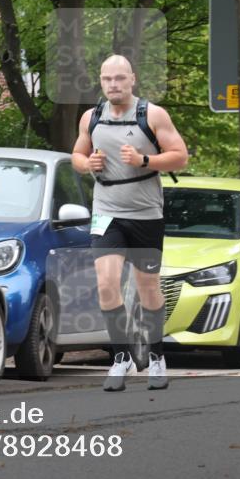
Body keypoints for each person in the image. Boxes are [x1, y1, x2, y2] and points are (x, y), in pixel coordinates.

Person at [71, 55, 189, 391]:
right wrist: (86, 162)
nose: (113, 85)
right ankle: (121, 357)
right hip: (106, 210)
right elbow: (77, 155)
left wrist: (144, 160)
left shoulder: (151, 115)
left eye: (120, 78)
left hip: (145, 213)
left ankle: (155, 356)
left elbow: (180, 155)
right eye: (108, 79)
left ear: (132, 79)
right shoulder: (92, 117)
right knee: (106, 284)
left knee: (147, 288)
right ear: (101, 80)